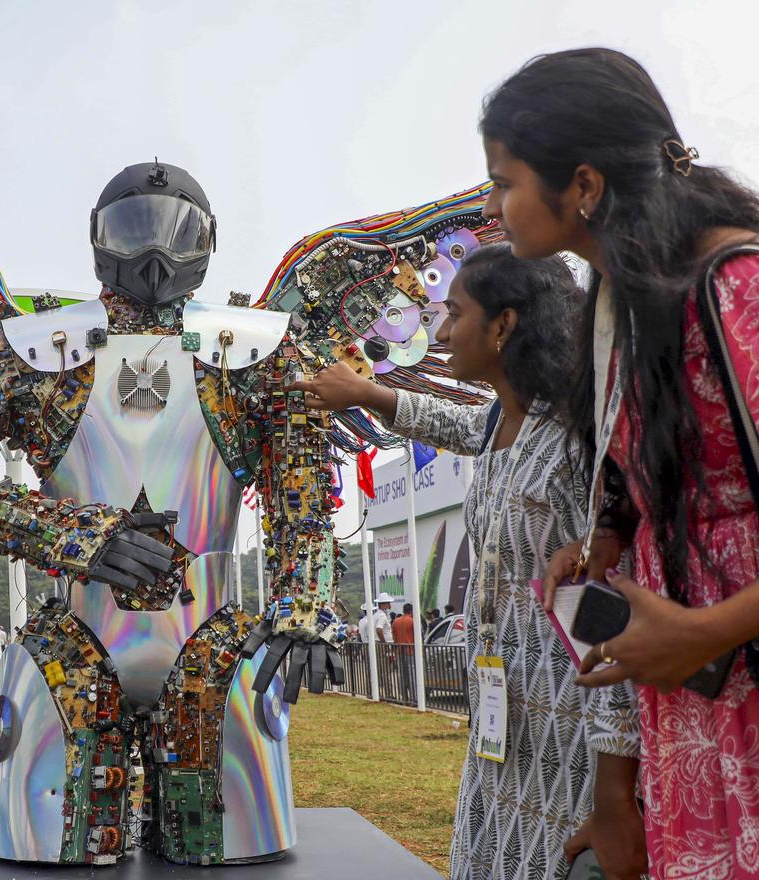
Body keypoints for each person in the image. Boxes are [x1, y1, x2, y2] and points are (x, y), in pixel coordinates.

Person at [486, 47, 759, 880]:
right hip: (693, 694)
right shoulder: (619, 304)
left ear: (583, 185)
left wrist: (706, 631)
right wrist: (613, 534)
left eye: (503, 180)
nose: (495, 205)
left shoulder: (735, 285)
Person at [292, 243, 636, 880]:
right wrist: (367, 393)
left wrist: (615, 793)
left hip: (574, 740)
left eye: (453, 313)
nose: (441, 333)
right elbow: (446, 422)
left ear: (504, 325)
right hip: (501, 730)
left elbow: (613, 623)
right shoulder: (496, 422)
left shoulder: (572, 436)